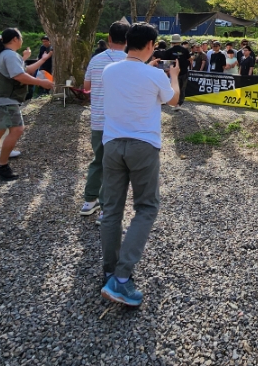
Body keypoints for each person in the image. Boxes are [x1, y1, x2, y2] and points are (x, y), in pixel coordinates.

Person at [100, 22, 179, 307]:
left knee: (112, 209)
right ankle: (121, 279)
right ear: (150, 45)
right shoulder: (154, 74)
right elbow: (173, 101)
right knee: (146, 207)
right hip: (143, 145)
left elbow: (130, 80)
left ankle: (109, 270)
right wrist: (174, 76)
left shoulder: (110, 70)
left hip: (112, 144)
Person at [0, 28, 53, 180]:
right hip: (5, 100)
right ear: (15, 39)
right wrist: (42, 82)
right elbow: (20, 76)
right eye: (21, 37)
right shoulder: (9, 55)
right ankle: (3, 165)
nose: (22, 41)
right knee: (18, 129)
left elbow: (26, 70)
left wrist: (43, 60)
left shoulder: (4, 55)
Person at [80, 21, 129, 219]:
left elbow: (86, 86)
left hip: (98, 120)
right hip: (119, 123)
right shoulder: (130, 61)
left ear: (109, 38)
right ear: (127, 40)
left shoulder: (96, 60)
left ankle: (89, 202)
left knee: (97, 161)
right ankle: (107, 211)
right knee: (115, 167)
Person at [0, 39, 47, 163]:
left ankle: (2, 151)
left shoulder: (2, 56)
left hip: (2, 97)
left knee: (4, 126)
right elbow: (17, 73)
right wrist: (41, 81)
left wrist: (25, 58)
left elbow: (18, 69)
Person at [163, 34, 191, 107]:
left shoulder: (169, 51)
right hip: (184, 71)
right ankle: (179, 103)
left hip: (174, 73)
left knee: (174, 87)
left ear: (172, 42)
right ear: (179, 41)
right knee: (182, 88)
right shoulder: (185, 50)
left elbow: (166, 63)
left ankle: (173, 102)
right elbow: (189, 59)